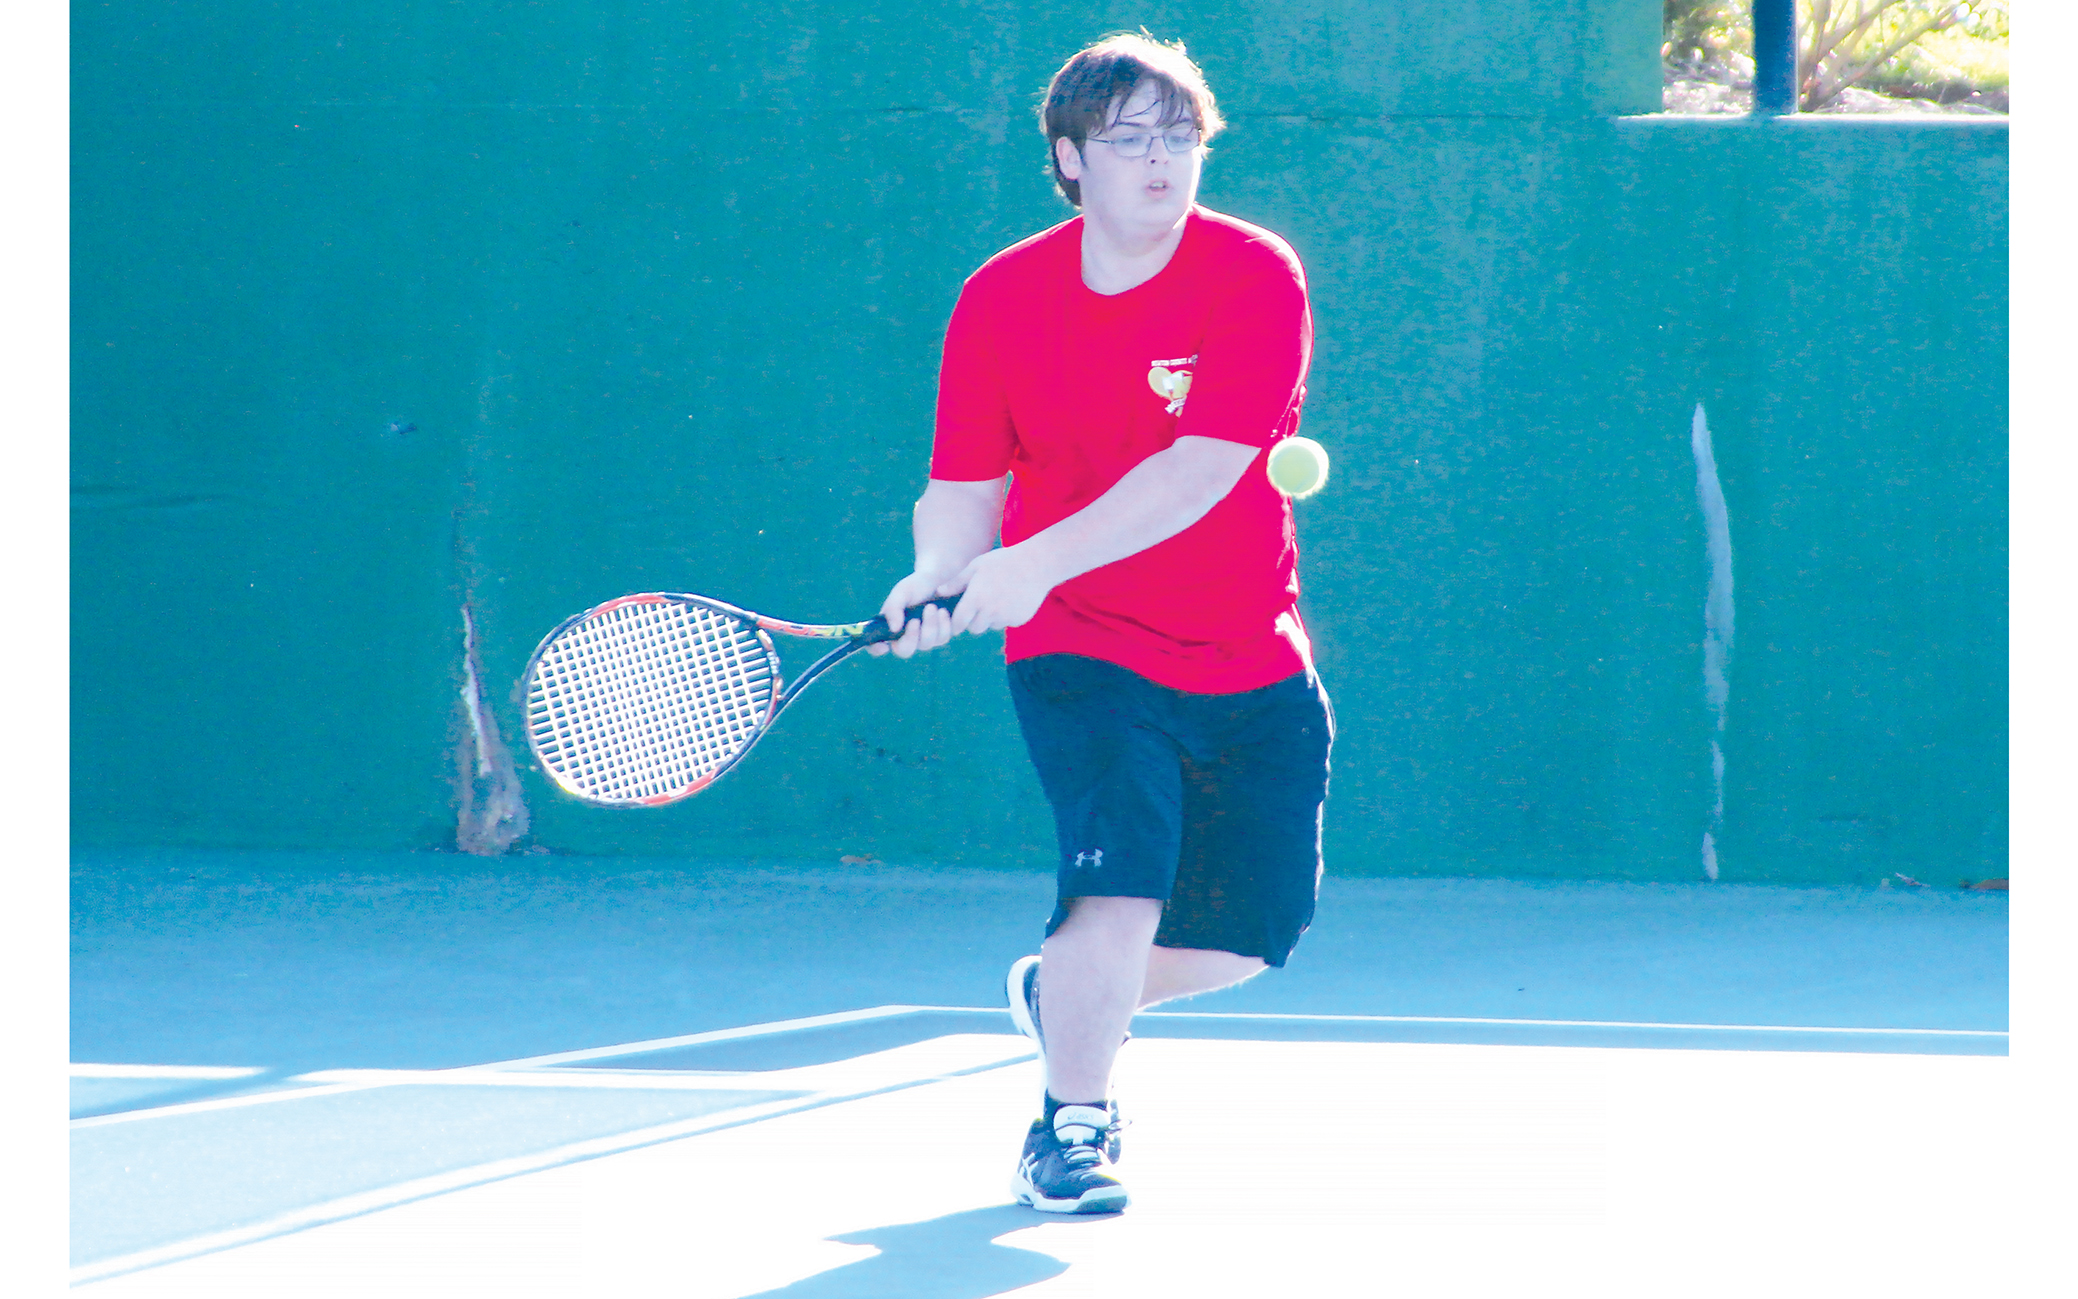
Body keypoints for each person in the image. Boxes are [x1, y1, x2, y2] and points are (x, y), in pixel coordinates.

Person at [870, 31, 1333, 1215]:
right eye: (1128, 139)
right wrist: (939, 573)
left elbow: (1199, 470)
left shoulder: (1253, 274)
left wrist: (1024, 564)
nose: (1161, 160)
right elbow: (963, 484)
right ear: (1069, 159)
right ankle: (1070, 1127)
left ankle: (1063, 993)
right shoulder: (999, 297)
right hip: (1080, 645)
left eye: (1180, 136)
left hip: (1246, 645)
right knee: (1115, 892)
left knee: (1250, 937)